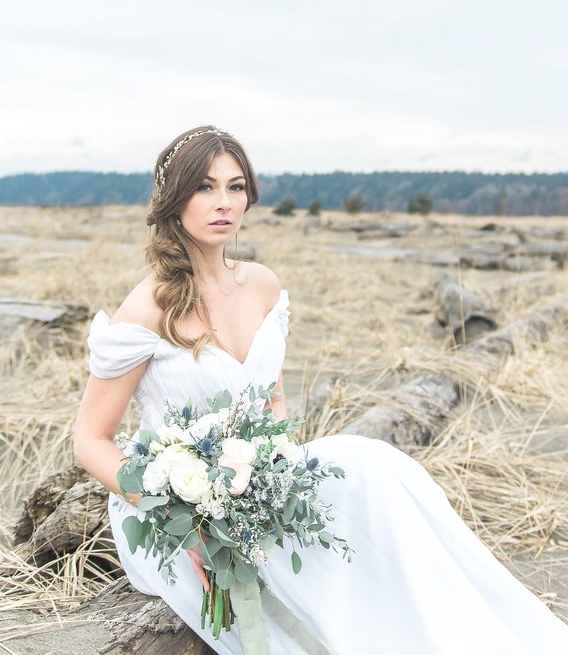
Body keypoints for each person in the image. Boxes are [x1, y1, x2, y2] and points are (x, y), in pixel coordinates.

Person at [73, 124, 568, 654]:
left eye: (236, 187)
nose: (224, 203)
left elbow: (272, 400)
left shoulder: (261, 285)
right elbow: (90, 440)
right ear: (174, 200)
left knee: (376, 466)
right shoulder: (146, 309)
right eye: (205, 187)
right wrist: (177, 514)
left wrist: (275, 461)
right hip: (172, 508)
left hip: (261, 479)